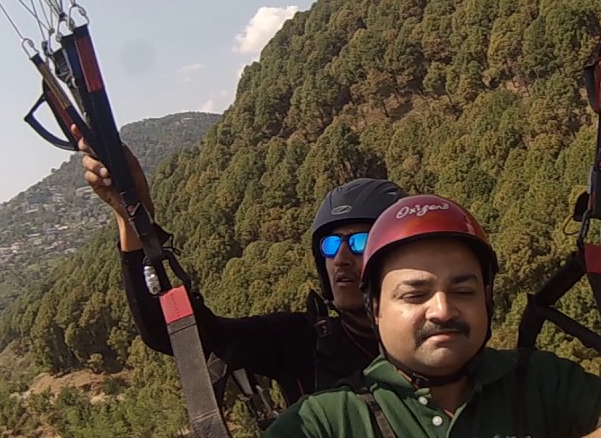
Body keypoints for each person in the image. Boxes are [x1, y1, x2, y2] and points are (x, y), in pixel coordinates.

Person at [263, 194, 601, 438]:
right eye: (416, 295)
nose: (443, 309)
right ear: (376, 309)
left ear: (486, 299)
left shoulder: (531, 380)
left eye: (463, 291)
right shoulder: (330, 420)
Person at [80, 138, 406, 417]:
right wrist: (133, 220)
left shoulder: (441, 337)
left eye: (360, 242)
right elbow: (177, 336)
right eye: (331, 245)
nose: (342, 258)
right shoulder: (302, 341)